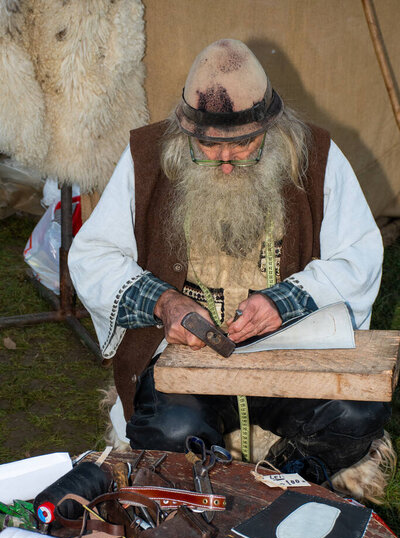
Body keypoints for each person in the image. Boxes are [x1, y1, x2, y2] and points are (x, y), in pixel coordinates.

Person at [69, 39, 393, 500]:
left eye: (243, 145)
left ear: (272, 126)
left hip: (290, 358)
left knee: (356, 416)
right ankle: (219, 496)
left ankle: (277, 485)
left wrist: (285, 302)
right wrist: (163, 302)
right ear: (185, 131)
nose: (224, 160)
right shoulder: (145, 157)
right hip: (186, 359)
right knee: (170, 429)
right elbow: (93, 254)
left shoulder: (317, 156)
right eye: (206, 145)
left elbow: (358, 256)